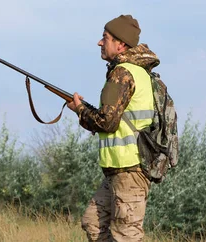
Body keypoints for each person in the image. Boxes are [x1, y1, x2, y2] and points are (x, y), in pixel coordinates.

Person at [66, 14, 160, 241]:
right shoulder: (134, 71)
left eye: (104, 38)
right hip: (118, 170)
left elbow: (106, 122)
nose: (100, 42)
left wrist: (80, 109)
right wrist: (85, 111)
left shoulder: (123, 72)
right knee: (93, 221)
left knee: (125, 235)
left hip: (130, 170)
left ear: (121, 44)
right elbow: (113, 120)